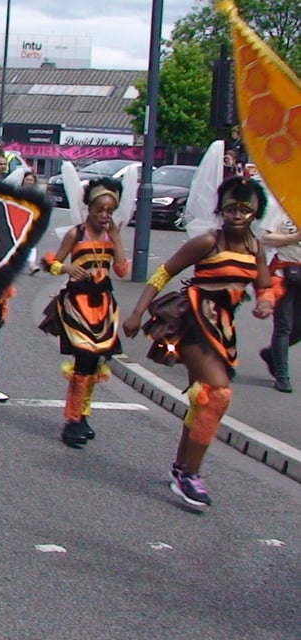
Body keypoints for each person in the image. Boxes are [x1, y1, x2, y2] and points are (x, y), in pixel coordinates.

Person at [122, 176, 274, 507]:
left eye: (245, 209)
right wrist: (136, 312)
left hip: (223, 329)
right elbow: (164, 272)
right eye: (231, 208)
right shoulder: (207, 242)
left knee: (202, 400)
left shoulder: (255, 247)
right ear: (221, 209)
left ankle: (181, 467)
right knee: (218, 394)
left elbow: (264, 284)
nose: (237, 215)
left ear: (255, 212)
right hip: (191, 321)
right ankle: (191, 474)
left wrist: (265, 302)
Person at [39, 177, 129, 447]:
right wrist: (67, 269)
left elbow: (123, 270)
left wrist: (117, 238)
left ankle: (83, 414)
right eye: (99, 210)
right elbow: (52, 262)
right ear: (89, 208)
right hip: (77, 305)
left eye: (109, 211)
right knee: (84, 359)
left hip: (103, 306)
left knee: (95, 363)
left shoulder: (112, 235)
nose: (104, 216)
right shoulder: (75, 234)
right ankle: (72, 419)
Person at [259, 207, 301, 393]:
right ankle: (282, 375)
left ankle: (271, 353)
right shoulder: (284, 210)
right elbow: (266, 238)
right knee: (283, 325)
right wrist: (293, 238)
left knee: (298, 329)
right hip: (284, 273)